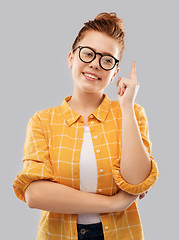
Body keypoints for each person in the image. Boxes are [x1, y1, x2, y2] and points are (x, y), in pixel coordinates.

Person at [12, 12, 159, 240]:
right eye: (88, 53)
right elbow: (35, 194)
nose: (95, 64)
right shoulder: (42, 121)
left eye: (107, 59)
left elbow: (137, 181)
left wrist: (127, 107)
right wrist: (115, 203)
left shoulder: (133, 114)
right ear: (71, 58)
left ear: (114, 73)